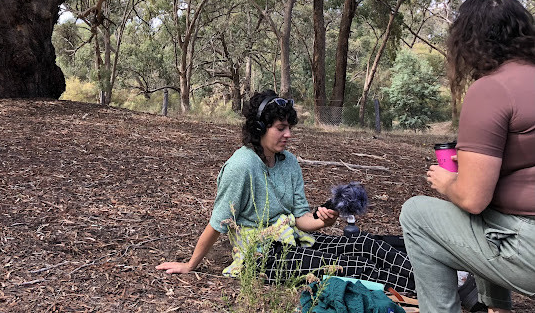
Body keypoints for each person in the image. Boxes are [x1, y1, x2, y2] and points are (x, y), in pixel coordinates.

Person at [157, 90, 415, 293]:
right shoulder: (242, 166)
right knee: (355, 267)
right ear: (259, 129)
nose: (288, 134)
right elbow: (218, 222)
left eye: (289, 128)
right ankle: (434, 286)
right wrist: (191, 265)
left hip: (291, 239)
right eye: (281, 129)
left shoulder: (288, 162)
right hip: (261, 254)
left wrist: (323, 220)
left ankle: (444, 270)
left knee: (365, 244)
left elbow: (301, 218)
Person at [400, 0, 535, 313]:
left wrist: (447, 182)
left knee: (417, 215)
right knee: (484, 215)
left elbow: (473, 198)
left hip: (528, 244)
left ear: (470, 41)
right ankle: (496, 309)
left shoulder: (491, 88)